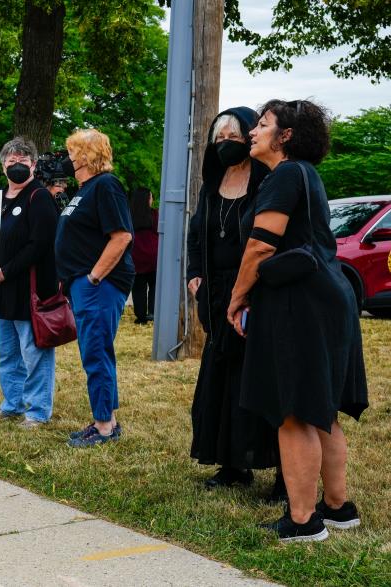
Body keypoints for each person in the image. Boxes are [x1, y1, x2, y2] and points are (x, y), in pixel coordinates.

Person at [228, 99, 368, 542]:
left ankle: (304, 521)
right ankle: (338, 508)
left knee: (294, 413)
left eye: (263, 125)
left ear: (284, 136)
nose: (253, 132)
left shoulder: (285, 174)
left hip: (298, 303)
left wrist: (236, 298)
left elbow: (261, 246)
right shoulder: (307, 174)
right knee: (322, 408)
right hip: (329, 296)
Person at [186, 108, 280, 493]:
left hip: (256, 291)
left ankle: (280, 469)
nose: (225, 144)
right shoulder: (213, 182)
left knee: (259, 379)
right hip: (216, 292)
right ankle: (232, 463)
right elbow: (197, 233)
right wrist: (195, 275)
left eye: (233, 136)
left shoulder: (267, 181)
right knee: (220, 382)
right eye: (218, 138)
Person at [55, 129, 133, 448]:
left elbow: (122, 236)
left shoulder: (106, 185)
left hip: (97, 286)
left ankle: (102, 427)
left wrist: (93, 278)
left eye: (72, 150)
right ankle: (108, 421)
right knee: (98, 351)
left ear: (86, 154)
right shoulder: (84, 190)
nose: (68, 157)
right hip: (82, 285)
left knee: (95, 353)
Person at [0, 137, 59, 429]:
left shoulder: (39, 197)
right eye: (11, 161)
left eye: (23, 161)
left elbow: (39, 244)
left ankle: (38, 410)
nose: (17, 165)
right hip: (2, 292)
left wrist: (6, 271)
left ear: (33, 165)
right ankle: (12, 403)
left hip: (29, 290)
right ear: (3, 165)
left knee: (34, 353)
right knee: (6, 354)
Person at [129, 187, 158, 325]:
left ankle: (141, 316)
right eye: (151, 197)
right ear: (147, 199)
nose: (152, 200)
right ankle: (152, 312)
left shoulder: (129, 215)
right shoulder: (154, 214)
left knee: (138, 288)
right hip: (154, 257)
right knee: (154, 286)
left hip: (136, 257)